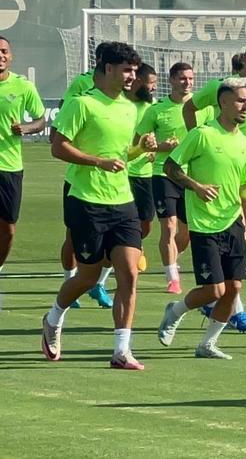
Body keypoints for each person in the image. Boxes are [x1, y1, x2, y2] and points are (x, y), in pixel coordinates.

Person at [41, 42, 152, 370]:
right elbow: (58, 148)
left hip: (123, 202)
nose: (133, 76)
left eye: (135, 70)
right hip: (86, 201)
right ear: (107, 69)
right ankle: (53, 317)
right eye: (127, 70)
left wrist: (140, 150)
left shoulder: (130, 108)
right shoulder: (82, 104)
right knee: (88, 277)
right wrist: (97, 162)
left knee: (129, 272)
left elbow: (119, 155)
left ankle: (121, 351)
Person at [157, 77, 246, 359]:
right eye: (241, 100)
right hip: (204, 223)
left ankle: (207, 344)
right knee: (214, 289)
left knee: (233, 289)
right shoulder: (202, 135)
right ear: (224, 102)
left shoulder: (245, 144)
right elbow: (170, 166)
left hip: (233, 221)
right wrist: (196, 186)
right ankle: (176, 310)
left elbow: (243, 185)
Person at [185, 40, 246, 331]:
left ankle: (223, 300)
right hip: (216, 171)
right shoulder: (221, 87)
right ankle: (232, 305)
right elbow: (190, 108)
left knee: (242, 234)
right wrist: (199, 142)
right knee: (225, 234)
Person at [135, 62, 206, 295]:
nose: (188, 83)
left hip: (191, 175)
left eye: (191, 79)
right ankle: (172, 277)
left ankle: (173, 259)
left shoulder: (203, 108)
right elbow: (139, 143)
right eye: (183, 78)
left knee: (186, 232)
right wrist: (157, 147)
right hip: (162, 173)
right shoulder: (156, 110)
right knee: (168, 226)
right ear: (172, 80)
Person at [57, 42, 112, 309]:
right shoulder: (81, 87)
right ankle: (70, 280)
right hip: (81, 176)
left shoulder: (121, 98)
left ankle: (97, 283)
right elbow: (65, 124)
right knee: (72, 236)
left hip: (114, 182)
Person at [0, 36, 45, 311]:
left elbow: (41, 118)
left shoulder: (22, 86)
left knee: (8, 230)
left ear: (11, 56)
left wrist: (27, 128)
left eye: (4, 51)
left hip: (9, 168)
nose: (0, 55)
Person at [125, 63, 157, 274]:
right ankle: (131, 249)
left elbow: (159, 131)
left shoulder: (152, 106)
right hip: (123, 171)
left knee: (146, 221)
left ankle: (137, 243)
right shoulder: (122, 104)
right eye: (150, 83)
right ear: (137, 81)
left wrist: (157, 148)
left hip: (145, 172)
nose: (153, 88)